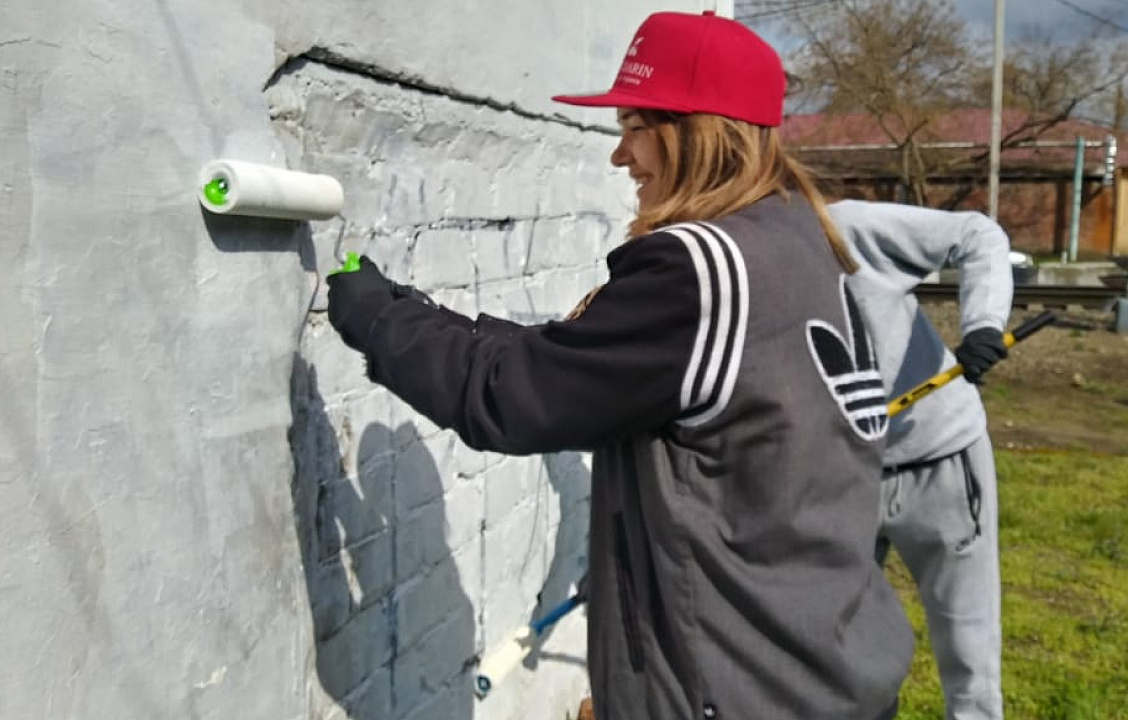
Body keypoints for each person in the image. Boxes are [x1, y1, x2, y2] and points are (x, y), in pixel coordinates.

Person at [326, 11, 913, 720]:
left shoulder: (700, 271)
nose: (620, 157)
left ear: (691, 132)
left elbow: (512, 399)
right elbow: (579, 365)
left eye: (633, 126)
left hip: (745, 693)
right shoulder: (794, 242)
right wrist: (422, 312)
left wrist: (379, 318)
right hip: (826, 665)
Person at [827, 199, 1014, 720]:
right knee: (834, 645)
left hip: (941, 461)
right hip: (840, 477)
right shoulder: (733, 258)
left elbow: (978, 235)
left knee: (967, 647)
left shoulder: (845, 227)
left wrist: (983, 324)